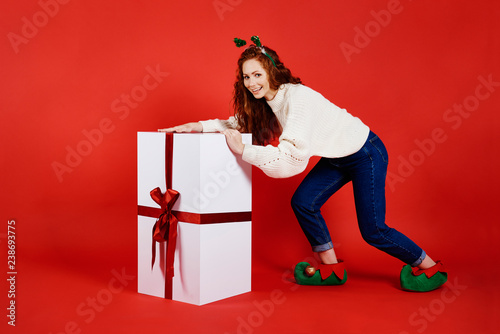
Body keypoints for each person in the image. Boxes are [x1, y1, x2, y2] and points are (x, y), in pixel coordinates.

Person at [158, 36, 447, 292]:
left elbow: (291, 163)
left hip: (365, 152)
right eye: (246, 78)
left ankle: (430, 267)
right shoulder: (267, 101)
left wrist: (244, 150)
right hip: (337, 157)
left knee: (372, 230)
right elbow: (235, 123)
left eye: (256, 74)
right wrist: (197, 126)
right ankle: (331, 268)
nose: (251, 83)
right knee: (304, 202)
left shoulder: (297, 99)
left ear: (271, 71)